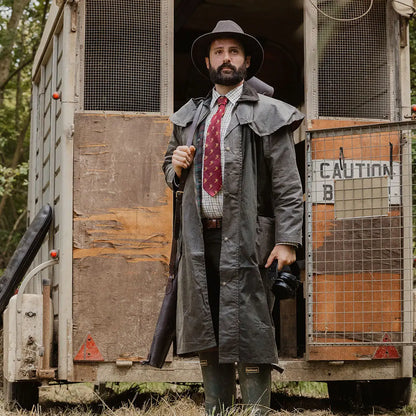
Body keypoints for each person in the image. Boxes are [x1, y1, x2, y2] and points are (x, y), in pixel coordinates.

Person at [163, 20, 304, 415]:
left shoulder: (270, 114)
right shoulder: (189, 117)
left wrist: (288, 240)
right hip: (200, 240)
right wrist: (174, 166)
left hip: (251, 240)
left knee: (252, 327)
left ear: (247, 62)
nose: (227, 59)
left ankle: (257, 411)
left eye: (234, 52)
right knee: (208, 326)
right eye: (219, 52)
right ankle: (217, 411)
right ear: (207, 61)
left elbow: (288, 186)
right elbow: (170, 172)